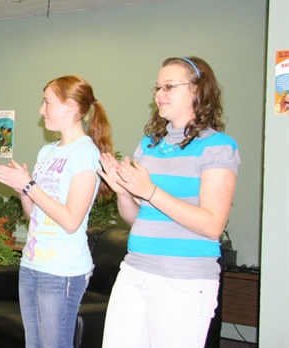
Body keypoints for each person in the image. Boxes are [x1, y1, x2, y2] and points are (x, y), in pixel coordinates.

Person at [98, 57, 240, 348]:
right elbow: (136, 218)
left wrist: (150, 191)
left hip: (183, 281)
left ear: (198, 91)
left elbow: (213, 225)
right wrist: (123, 192)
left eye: (169, 86)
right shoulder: (148, 145)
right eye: (157, 87)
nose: (159, 93)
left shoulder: (218, 147)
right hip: (134, 272)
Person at [0, 75, 113, 347]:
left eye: (47, 102)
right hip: (32, 264)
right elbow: (34, 213)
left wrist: (29, 185)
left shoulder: (85, 153)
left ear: (70, 106)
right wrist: (23, 188)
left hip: (62, 270)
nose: (41, 110)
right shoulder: (47, 151)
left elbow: (70, 220)